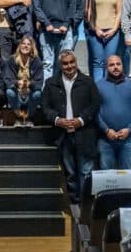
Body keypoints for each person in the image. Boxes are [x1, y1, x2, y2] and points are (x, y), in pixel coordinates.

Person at [42, 50, 101, 204]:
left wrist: (81, 120)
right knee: (70, 172)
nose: (69, 66)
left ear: (76, 62)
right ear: (60, 65)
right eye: (65, 63)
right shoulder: (50, 83)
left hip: (84, 133)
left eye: (71, 62)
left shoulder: (88, 81)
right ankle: (74, 204)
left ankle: (86, 205)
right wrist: (57, 120)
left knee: (86, 171)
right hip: (62, 134)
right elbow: (45, 107)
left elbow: (95, 104)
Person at [95, 55, 131, 173]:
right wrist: (106, 130)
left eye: (118, 64)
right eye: (111, 65)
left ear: (122, 65)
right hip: (105, 140)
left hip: (128, 140)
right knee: (106, 177)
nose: (115, 67)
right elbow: (95, 112)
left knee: (127, 176)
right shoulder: (98, 86)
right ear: (106, 67)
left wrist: (129, 129)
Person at [33, 0, 77, 82]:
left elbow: (72, 6)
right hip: (46, 30)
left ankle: (64, 89)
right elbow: (37, 7)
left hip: (65, 30)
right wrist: (46, 23)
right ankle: (47, 91)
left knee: (65, 63)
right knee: (47, 63)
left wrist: (66, 24)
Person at [84, 0, 123, 81]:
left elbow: (119, 13)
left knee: (108, 62)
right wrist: (96, 29)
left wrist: (114, 30)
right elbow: (88, 13)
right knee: (98, 61)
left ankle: (107, 87)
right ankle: (97, 88)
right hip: (95, 32)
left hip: (112, 32)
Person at [2, 35, 42, 126]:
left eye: (28, 44)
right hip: (17, 94)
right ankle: (19, 117)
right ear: (19, 46)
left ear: (32, 47)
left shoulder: (36, 60)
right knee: (9, 92)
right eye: (23, 43)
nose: (25, 46)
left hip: (30, 94)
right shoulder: (12, 59)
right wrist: (17, 83)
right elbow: (7, 79)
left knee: (38, 93)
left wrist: (29, 84)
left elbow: (39, 81)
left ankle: (28, 118)